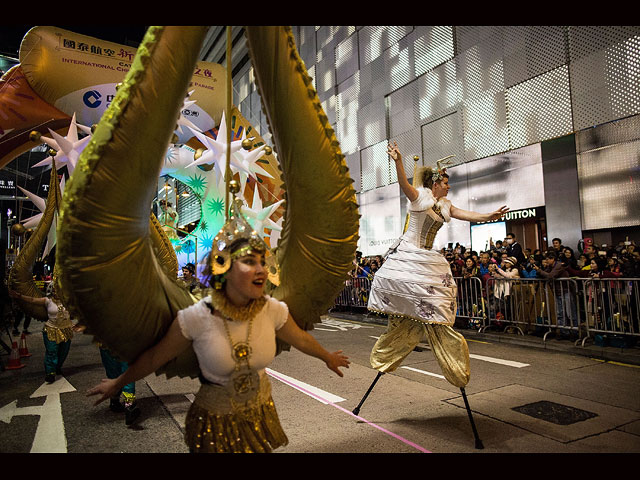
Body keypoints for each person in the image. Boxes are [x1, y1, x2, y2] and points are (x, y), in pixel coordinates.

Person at [87, 203, 350, 453]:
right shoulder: (196, 318)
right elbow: (156, 357)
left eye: (262, 262)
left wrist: (327, 357)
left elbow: (300, 338)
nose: (261, 270)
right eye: (250, 262)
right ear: (224, 270)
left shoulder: (272, 309)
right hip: (215, 422)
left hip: (259, 413)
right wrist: (119, 383)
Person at [354, 143, 508, 449]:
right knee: (415, 311)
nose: (449, 185)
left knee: (436, 312)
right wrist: (397, 161)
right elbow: (404, 185)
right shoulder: (421, 197)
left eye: (448, 182)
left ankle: (428, 337)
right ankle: (408, 333)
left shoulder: (446, 204)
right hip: (410, 257)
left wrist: (490, 213)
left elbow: (468, 215)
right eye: (445, 181)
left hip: (428, 260)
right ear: (434, 183)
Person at [9, 283, 73, 383]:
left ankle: (57, 367)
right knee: (51, 351)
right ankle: (50, 373)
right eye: (54, 290)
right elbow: (32, 300)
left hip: (66, 330)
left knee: (63, 352)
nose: (56, 292)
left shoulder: (68, 301)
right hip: (51, 329)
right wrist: (20, 296)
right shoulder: (47, 300)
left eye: (58, 290)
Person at [533, 251, 577, 339]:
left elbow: (550, 276)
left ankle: (575, 332)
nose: (546, 261)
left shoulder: (559, 265)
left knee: (570, 313)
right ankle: (564, 332)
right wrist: (539, 271)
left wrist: (539, 270)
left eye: (548, 259)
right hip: (557, 291)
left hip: (566, 290)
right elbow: (543, 275)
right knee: (559, 313)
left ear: (552, 259)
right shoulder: (550, 267)